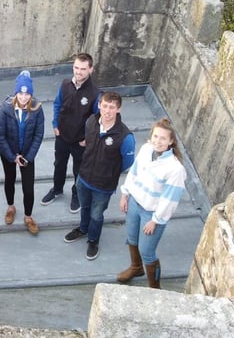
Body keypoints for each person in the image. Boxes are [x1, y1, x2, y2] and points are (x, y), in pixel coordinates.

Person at [63, 91, 135, 261]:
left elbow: (127, 162)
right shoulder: (91, 122)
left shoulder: (125, 137)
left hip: (103, 186)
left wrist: (109, 172)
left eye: (112, 107)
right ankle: (83, 229)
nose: (107, 111)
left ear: (119, 109)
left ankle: (93, 240)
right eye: (105, 106)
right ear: (99, 105)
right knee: (85, 207)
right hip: (83, 178)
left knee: (96, 214)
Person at [118, 118, 186, 289]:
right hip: (134, 203)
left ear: (171, 141)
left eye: (163, 138)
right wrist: (125, 194)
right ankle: (136, 267)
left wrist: (155, 220)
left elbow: (170, 199)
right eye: (155, 136)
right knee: (132, 238)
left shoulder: (175, 168)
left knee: (147, 252)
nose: (158, 141)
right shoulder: (146, 149)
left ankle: (155, 289)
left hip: (151, 214)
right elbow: (134, 173)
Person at [42, 53, 100, 214]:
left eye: (83, 69)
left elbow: (98, 119)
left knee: (78, 170)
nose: (78, 72)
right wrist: (55, 124)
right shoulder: (65, 84)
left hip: (80, 141)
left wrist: (88, 138)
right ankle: (57, 189)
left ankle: (77, 195)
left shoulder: (95, 93)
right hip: (62, 136)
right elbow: (57, 104)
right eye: (76, 67)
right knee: (59, 164)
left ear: (90, 69)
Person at [0, 71, 44, 234]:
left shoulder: (37, 109)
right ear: (16, 93)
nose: (23, 97)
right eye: (21, 93)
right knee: (9, 180)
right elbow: (0, 134)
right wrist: (12, 156)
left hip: (27, 154)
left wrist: (28, 157)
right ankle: (11, 207)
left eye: (27, 94)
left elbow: (38, 135)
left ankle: (28, 216)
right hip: (9, 153)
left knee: (28, 187)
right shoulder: (5, 108)